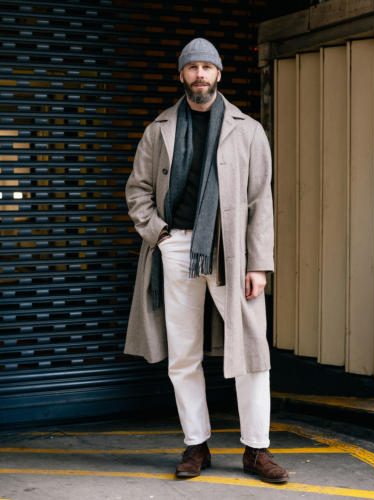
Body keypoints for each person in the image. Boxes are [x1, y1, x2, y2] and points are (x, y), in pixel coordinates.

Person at [124, 38, 288, 484]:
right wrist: (158, 234)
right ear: (182, 76)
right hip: (176, 247)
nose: (199, 75)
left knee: (253, 352)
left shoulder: (248, 130)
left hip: (231, 251)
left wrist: (260, 265)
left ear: (219, 75)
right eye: (191, 68)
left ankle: (257, 450)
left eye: (207, 68)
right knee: (184, 354)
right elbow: (137, 189)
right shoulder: (159, 129)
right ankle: (196, 444)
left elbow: (260, 203)